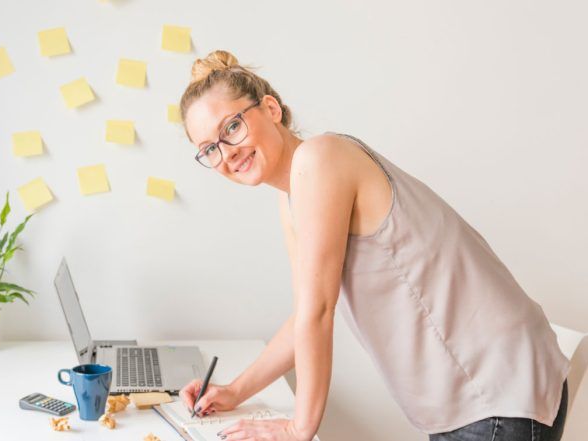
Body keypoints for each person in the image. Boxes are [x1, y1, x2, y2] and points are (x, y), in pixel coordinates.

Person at [178, 50, 570, 441]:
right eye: (210, 148)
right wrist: (235, 390)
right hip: (480, 400)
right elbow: (305, 314)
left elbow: (318, 311)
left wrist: (299, 429)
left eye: (231, 127)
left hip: (498, 396)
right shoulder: (292, 194)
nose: (227, 153)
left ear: (270, 109)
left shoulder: (320, 158)